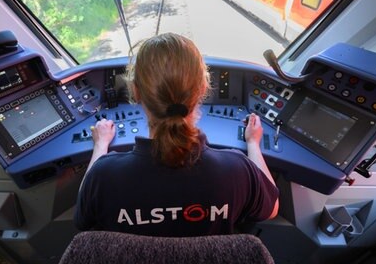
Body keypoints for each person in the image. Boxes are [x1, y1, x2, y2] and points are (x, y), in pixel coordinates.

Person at [74, 33, 279, 237]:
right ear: (203, 88)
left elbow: (82, 219)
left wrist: (100, 146)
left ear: (136, 91)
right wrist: (253, 143)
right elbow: (272, 209)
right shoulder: (237, 170)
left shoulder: (104, 176)